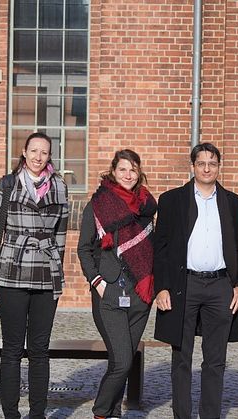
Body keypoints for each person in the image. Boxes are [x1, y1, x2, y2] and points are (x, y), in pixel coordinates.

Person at [0, 132, 68, 419]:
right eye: (34, 151)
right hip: (11, 272)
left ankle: (37, 414)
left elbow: (61, 235)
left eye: (44, 152)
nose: (39, 157)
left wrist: (57, 274)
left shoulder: (61, 187)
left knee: (40, 349)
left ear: (49, 156)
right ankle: (11, 414)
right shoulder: (8, 183)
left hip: (45, 274)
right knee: (12, 349)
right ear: (24, 153)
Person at [153, 142, 238, 419]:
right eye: (201, 163)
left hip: (221, 286)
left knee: (215, 360)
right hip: (185, 285)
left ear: (219, 166)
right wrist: (161, 287)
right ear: (192, 166)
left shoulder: (233, 202)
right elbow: (160, 248)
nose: (207, 168)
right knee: (181, 357)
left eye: (212, 163)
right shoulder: (172, 200)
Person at [77, 149, 157, 419]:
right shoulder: (98, 205)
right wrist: (98, 282)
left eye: (133, 169)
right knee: (122, 361)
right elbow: (84, 249)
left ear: (139, 173)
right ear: (113, 171)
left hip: (139, 295)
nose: (128, 174)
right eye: (123, 169)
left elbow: (153, 247)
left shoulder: (147, 207)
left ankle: (112, 413)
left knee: (121, 361)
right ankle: (101, 412)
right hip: (109, 294)